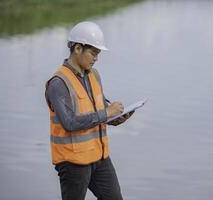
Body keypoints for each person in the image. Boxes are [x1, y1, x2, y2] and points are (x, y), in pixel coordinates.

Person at [45, 21, 134, 200]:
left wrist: (115, 117)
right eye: (93, 53)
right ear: (77, 48)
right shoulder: (58, 83)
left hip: (100, 158)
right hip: (73, 162)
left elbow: (99, 110)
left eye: (98, 54)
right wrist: (107, 113)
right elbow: (70, 123)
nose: (96, 58)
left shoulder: (94, 75)